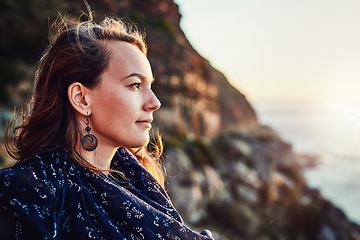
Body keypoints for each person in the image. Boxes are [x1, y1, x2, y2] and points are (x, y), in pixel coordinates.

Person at [0, 15, 214, 240]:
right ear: (81, 98)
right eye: (135, 85)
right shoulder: (22, 197)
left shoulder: (142, 185)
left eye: (150, 86)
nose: (154, 102)